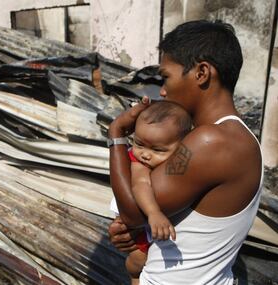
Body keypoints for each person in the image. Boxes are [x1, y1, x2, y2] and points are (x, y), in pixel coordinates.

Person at [107, 20, 263, 285]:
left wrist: (116, 136)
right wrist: (137, 234)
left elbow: (132, 212)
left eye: (166, 76)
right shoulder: (227, 136)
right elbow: (143, 218)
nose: (163, 90)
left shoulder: (212, 141)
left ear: (202, 72)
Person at [109, 101, 192, 284]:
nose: (145, 154)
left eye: (157, 150)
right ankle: (134, 276)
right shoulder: (139, 163)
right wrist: (154, 212)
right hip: (139, 213)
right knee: (137, 261)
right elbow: (141, 184)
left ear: (181, 147)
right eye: (139, 144)